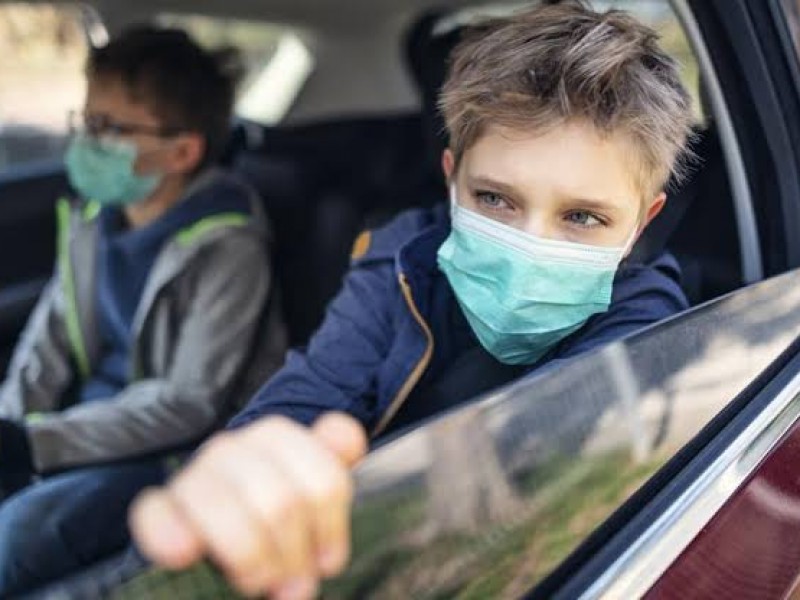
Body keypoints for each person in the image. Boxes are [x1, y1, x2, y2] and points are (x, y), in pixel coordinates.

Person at [131, 3, 695, 598]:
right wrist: (246, 467)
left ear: (639, 224)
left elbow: (557, 483)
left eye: (582, 216)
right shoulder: (401, 262)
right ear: (452, 179)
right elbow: (313, 386)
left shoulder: (646, 320)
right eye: (496, 200)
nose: (529, 246)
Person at [0, 25, 284, 595]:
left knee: (16, 538)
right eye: (86, 121)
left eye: (109, 128)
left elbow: (189, 403)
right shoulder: (92, 220)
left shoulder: (229, 247)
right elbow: (45, 344)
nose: (87, 141)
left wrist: (36, 444)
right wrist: (10, 426)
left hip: (173, 451)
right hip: (87, 428)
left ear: (182, 151)